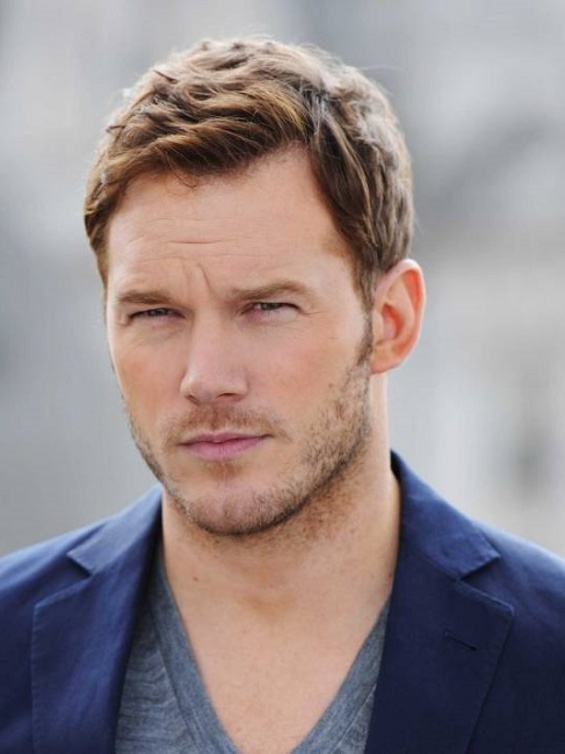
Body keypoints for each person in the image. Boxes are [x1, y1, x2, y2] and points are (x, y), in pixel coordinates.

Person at [1, 37, 565, 754]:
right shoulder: (10, 644)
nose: (206, 377)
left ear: (391, 322)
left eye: (267, 307)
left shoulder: (549, 657)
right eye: (155, 313)